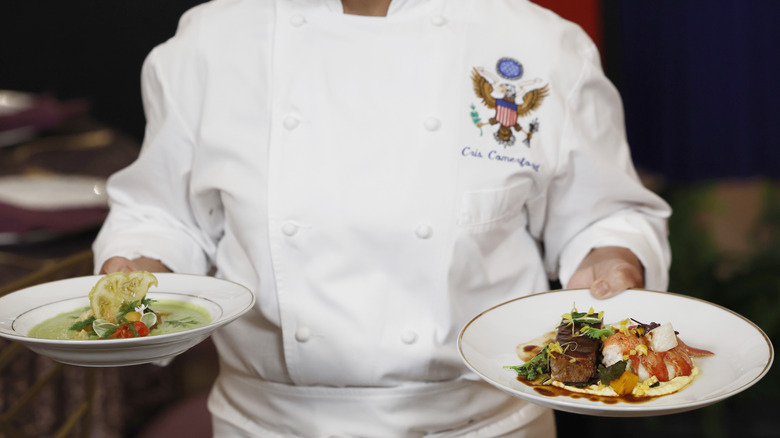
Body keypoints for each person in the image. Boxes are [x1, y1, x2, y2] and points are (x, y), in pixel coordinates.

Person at [93, 0, 671, 436]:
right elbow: (162, 212)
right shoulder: (213, 40)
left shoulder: (536, 40)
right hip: (272, 428)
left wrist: (612, 263)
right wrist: (138, 266)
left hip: (482, 426)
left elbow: (603, 216)